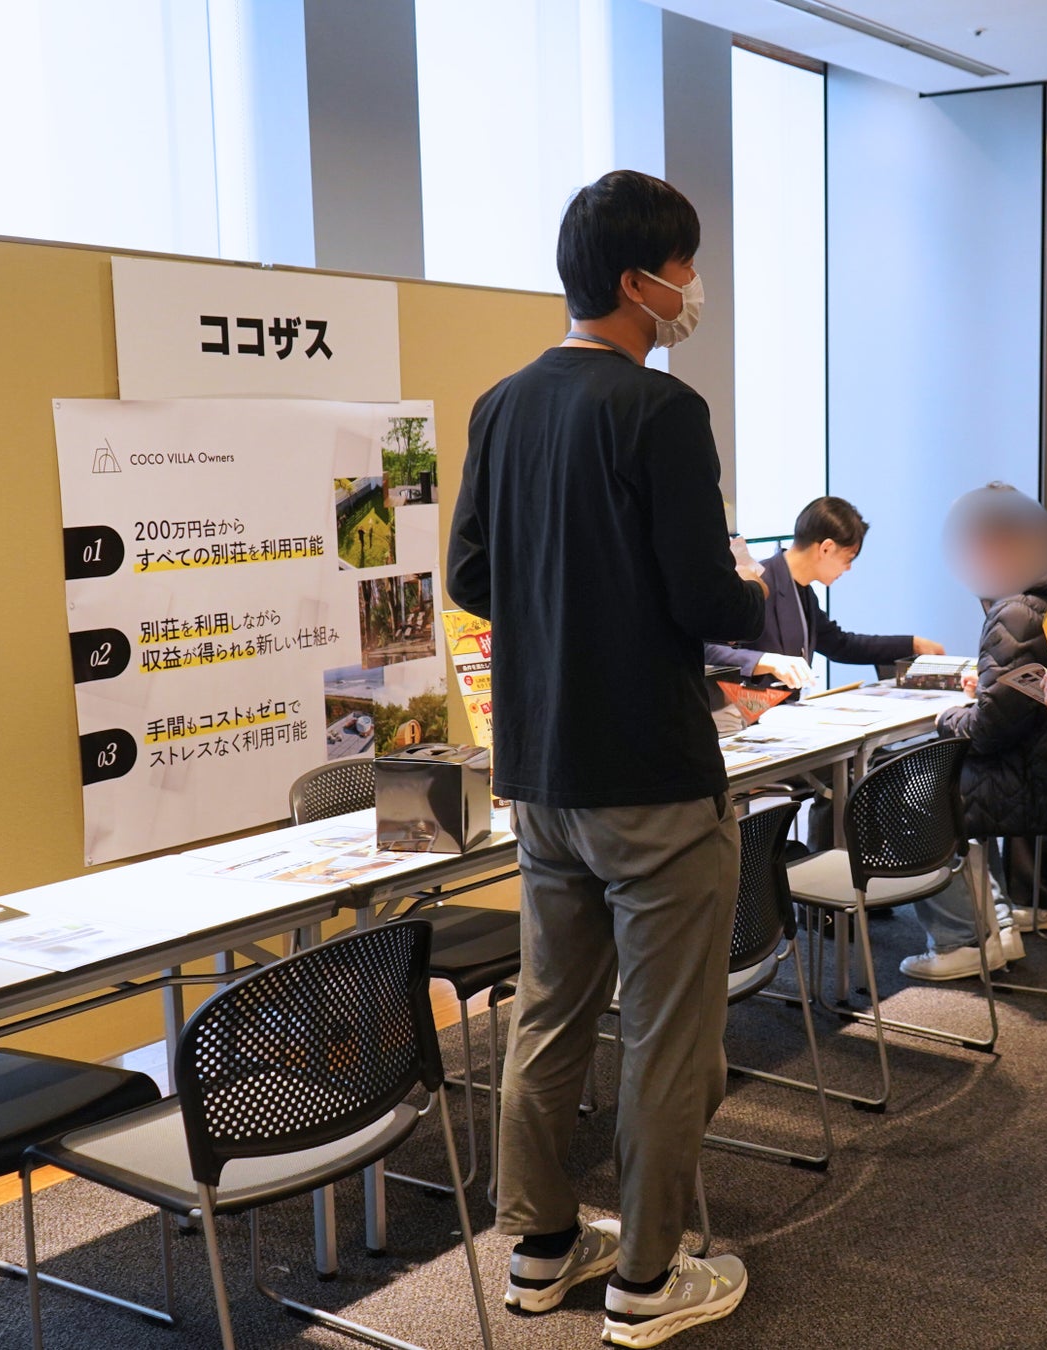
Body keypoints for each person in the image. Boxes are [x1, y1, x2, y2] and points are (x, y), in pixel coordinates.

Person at [447, 169, 760, 1346]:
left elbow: (469, 577)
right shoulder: (659, 411)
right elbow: (703, 600)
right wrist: (746, 585)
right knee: (669, 1040)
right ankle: (644, 1276)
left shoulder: (500, 404)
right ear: (637, 283)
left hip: (539, 771)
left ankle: (538, 1253)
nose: (693, 289)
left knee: (547, 1016)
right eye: (684, 268)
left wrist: (565, 601)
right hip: (653, 775)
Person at [909, 484, 1047, 980]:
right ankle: (996, 927)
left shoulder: (1019, 607)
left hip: (1044, 784)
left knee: (919, 791)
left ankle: (964, 939)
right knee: (954, 781)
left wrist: (946, 717)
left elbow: (988, 730)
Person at [706, 495, 942, 702]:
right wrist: (765, 660)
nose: (848, 568)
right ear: (826, 548)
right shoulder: (759, 583)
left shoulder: (803, 590)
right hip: (745, 719)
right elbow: (708, 650)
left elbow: (840, 645)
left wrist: (911, 644)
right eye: (848, 558)